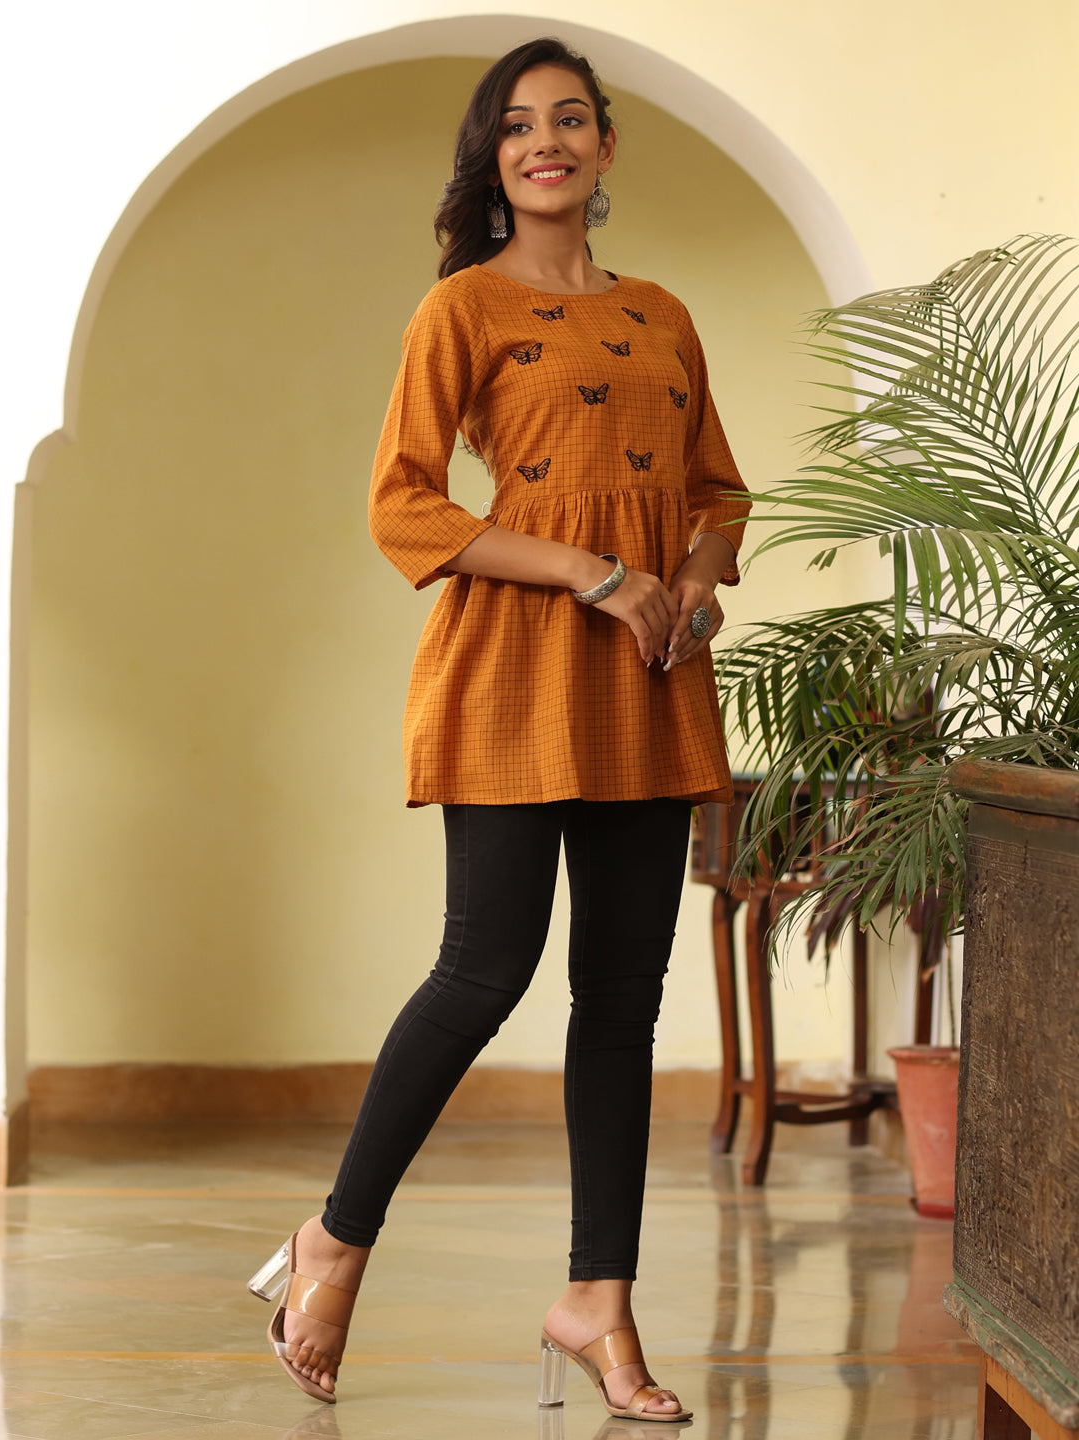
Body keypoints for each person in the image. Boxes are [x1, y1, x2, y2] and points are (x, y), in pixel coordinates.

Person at [247, 36, 751, 1422]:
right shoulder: (460, 309)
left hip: (649, 676)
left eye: (571, 120)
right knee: (482, 971)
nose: (548, 143)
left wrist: (694, 585)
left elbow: (718, 491)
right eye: (521, 126)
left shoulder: (661, 313)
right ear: (494, 157)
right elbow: (404, 503)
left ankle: (600, 1299)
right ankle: (336, 1240)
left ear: (604, 147)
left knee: (624, 1000)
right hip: (516, 668)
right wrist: (594, 573)